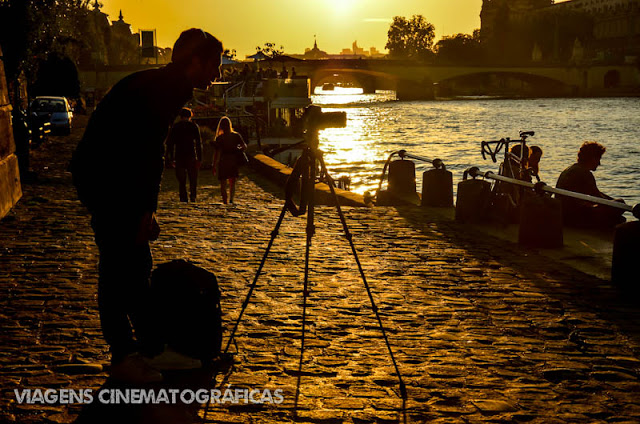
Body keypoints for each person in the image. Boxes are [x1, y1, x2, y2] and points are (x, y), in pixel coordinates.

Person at [69, 28, 224, 383]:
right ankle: (125, 353)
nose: (216, 75)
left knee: (134, 262)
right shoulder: (165, 91)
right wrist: (145, 210)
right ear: (195, 62)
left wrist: (144, 209)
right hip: (106, 179)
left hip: (108, 175)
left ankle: (149, 348)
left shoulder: (165, 84)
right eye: (213, 65)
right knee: (118, 263)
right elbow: (147, 154)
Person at [556, 141, 626, 228]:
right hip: (575, 217)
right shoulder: (584, 173)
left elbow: (596, 194)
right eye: (598, 159)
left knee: (618, 207)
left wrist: (613, 201)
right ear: (592, 158)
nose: (599, 163)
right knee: (620, 207)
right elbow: (598, 197)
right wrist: (618, 204)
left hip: (564, 214)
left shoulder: (571, 169)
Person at [166, 107, 202, 202]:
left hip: (179, 155)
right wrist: (199, 158)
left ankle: (183, 197)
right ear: (190, 116)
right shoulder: (194, 126)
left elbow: (170, 143)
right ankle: (193, 196)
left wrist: (170, 158)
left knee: (181, 180)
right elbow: (198, 143)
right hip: (191, 154)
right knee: (193, 178)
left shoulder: (175, 127)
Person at [213, 116, 246, 204]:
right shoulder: (236, 136)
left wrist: (214, 165)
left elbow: (217, 153)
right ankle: (231, 199)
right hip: (233, 160)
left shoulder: (219, 138)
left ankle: (225, 201)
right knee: (232, 182)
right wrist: (237, 149)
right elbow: (244, 146)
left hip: (223, 161)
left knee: (223, 184)